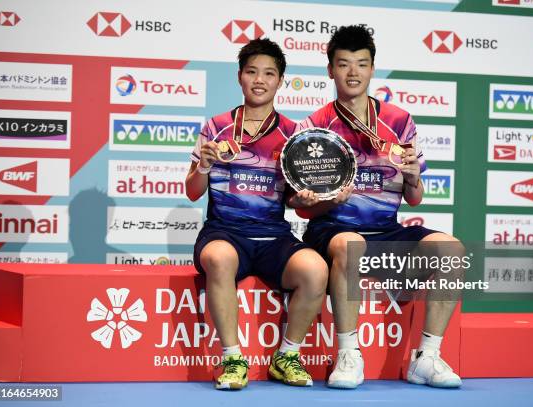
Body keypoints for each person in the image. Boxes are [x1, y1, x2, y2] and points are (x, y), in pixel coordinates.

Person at [289, 25, 464, 389]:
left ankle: (426, 358)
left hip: (387, 230)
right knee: (349, 244)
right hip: (334, 229)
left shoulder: (400, 121)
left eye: (361, 64)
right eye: (343, 64)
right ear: (330, 70)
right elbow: (302, 211)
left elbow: (414, 198)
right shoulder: (314, 127)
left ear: (372, 69)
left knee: (452, 250)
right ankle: (349, 354)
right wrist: (319, 201)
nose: (352, 72)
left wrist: (414, 177)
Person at [185, 38, 328, 390]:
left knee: (316, 269)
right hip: (224, 232)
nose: (259, 80)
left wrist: (305, 198)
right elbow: (192, 191)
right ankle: (233, 359)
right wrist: (202, 165)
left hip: (272, 237)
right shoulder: (215, 127)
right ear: (239, 77)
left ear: (281, 81)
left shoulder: (294, 134)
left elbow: (296, 202)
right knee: (218, 258)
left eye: (269, 73)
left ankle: (287, 356)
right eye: (252, 72)